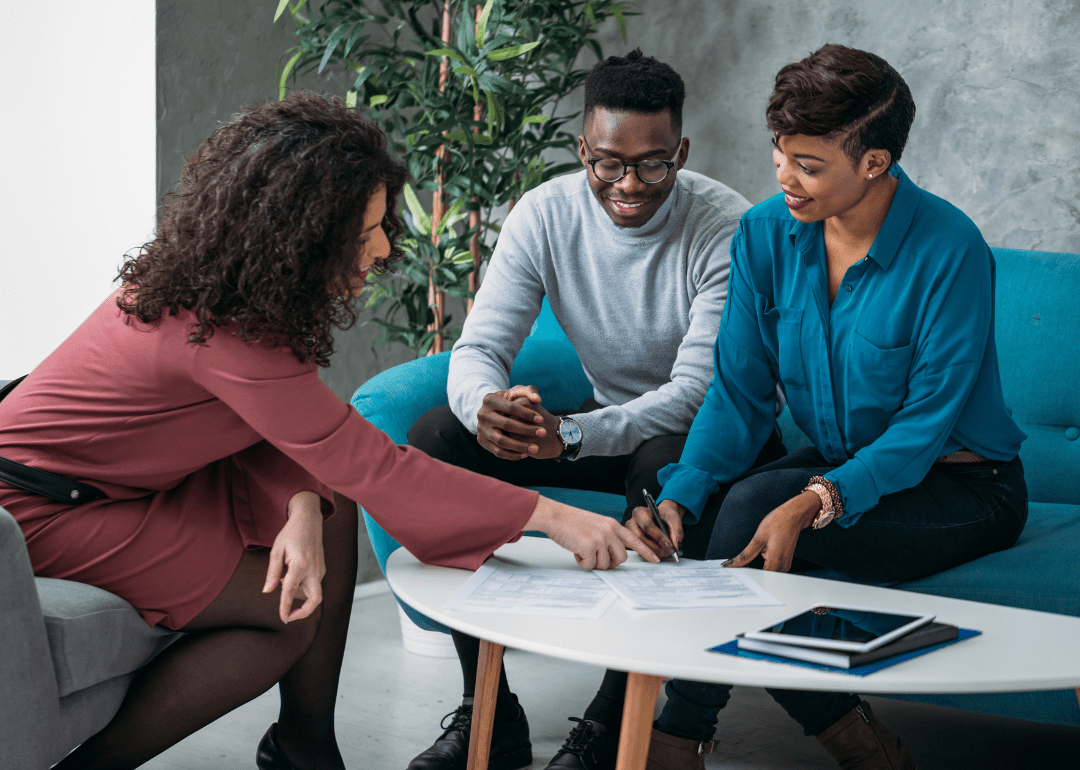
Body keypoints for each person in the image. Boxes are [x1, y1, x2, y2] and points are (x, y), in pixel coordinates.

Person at [0, 91, 656, 770]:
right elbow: (374, 465)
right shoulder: (221, 333)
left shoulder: (233, 291)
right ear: (301, 232)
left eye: (381, 224)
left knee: (332, 508)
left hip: (118, 483)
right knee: (286, 612)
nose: (381, 247)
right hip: (35, 510)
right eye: (362, 230)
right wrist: (553, 515)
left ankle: (304, 745)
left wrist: (304, 504)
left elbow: (269, 429)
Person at [624, 44, 1028, 770]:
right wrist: (682, 493)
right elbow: (740, 394)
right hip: (842, 463)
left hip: (960, 486)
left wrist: (819, 497)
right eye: (780, 153)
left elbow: (923, 426)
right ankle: (856, 738)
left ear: (875, 162)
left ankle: (677, 735)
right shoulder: (764, 235)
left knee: (752, 511)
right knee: (690, 497)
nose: (785, 177)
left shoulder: (950, 250)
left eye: (809, 165)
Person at [406, 50, 774, 770]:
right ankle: (490, 710)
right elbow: (479, 345)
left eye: (652, 164)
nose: (628, 185)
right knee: (431, 441)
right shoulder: (545, 213)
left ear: (682, 152)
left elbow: (699, 391)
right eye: (607, 163)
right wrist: (488, 407)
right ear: (583, 149)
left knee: (663, 463)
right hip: (602, 426)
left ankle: (611, 721)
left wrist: (572, 436)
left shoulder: (727, 226)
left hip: (708, 442)